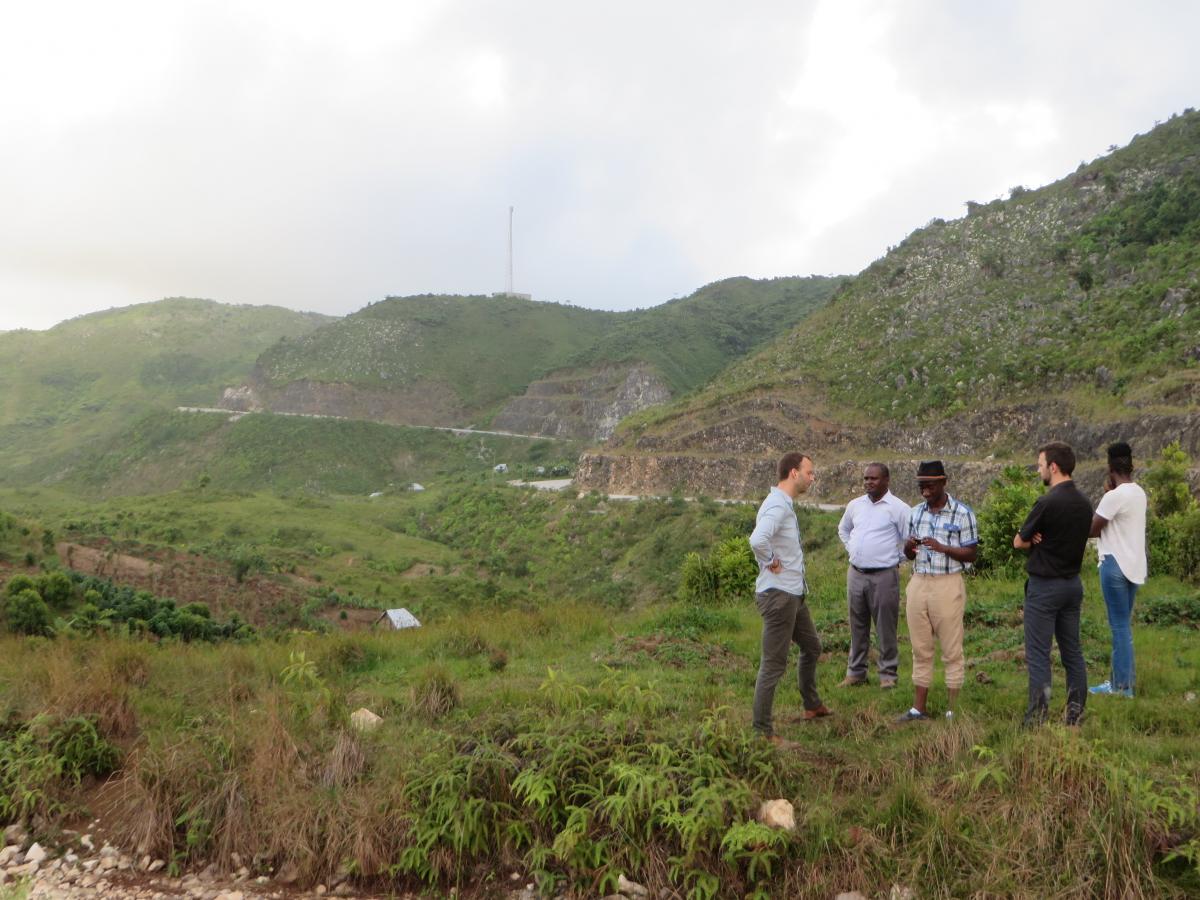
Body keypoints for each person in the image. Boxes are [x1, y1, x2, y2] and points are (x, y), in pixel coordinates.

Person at [748, 452, 831, 743]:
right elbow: (757, 539)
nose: (813, 477)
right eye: (809, 472)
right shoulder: (777, 506)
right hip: (779, 596)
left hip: (792, 594)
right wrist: (770, 559)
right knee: (773, 664)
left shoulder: (783, 504)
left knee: (812, 646)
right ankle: (762, 732)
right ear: (793, 473)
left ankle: (811, 705)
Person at [1013, 441, 1094, 727]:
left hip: (1045, 587)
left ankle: (1037, 718)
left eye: (1040, 465)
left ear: (1053, 467)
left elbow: (1019, 541)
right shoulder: (1085, 503)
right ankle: (1075, 714)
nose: (1039, 470)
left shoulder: (1047, 502)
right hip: (1072, 585)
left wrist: (1034, 537)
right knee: (1072, 651)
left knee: (1038, 654)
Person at [899, 460, 978, 722]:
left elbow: (972, 553)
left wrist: (943, 547)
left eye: (930, 485)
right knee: (920, 648)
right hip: (919, 582)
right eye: (921, 485)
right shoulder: (914, 513)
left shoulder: (962, 513)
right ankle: (918, 708)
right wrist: (909, 547)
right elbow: (908, 555)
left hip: (947, 583)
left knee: (951, 649)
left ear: (944, 482)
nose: (925, 490)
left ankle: (953, 709)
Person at [837, 463, 910, 689]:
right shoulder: (855, 505)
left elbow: (910, 540)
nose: (869, 482)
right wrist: (853, 550)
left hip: (884, 576)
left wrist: (895, 558)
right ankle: (856, 673)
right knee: (857, 625)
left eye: (874, 478)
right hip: (856, 574)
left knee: (885, 626)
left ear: (886, 480)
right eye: (866, 478)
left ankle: (888, 675)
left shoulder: (898, 508)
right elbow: (843, 529)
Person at [1089, 442, 1147, 698]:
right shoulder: (1139, 493)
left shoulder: (1113, 496)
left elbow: (1092, 529)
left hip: (1113, 565)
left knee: (1119, 627)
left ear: (1110, 466)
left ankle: (1123, 687)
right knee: (1122, 625)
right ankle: (1117, 681)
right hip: (1134, 566)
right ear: (1130, 465)